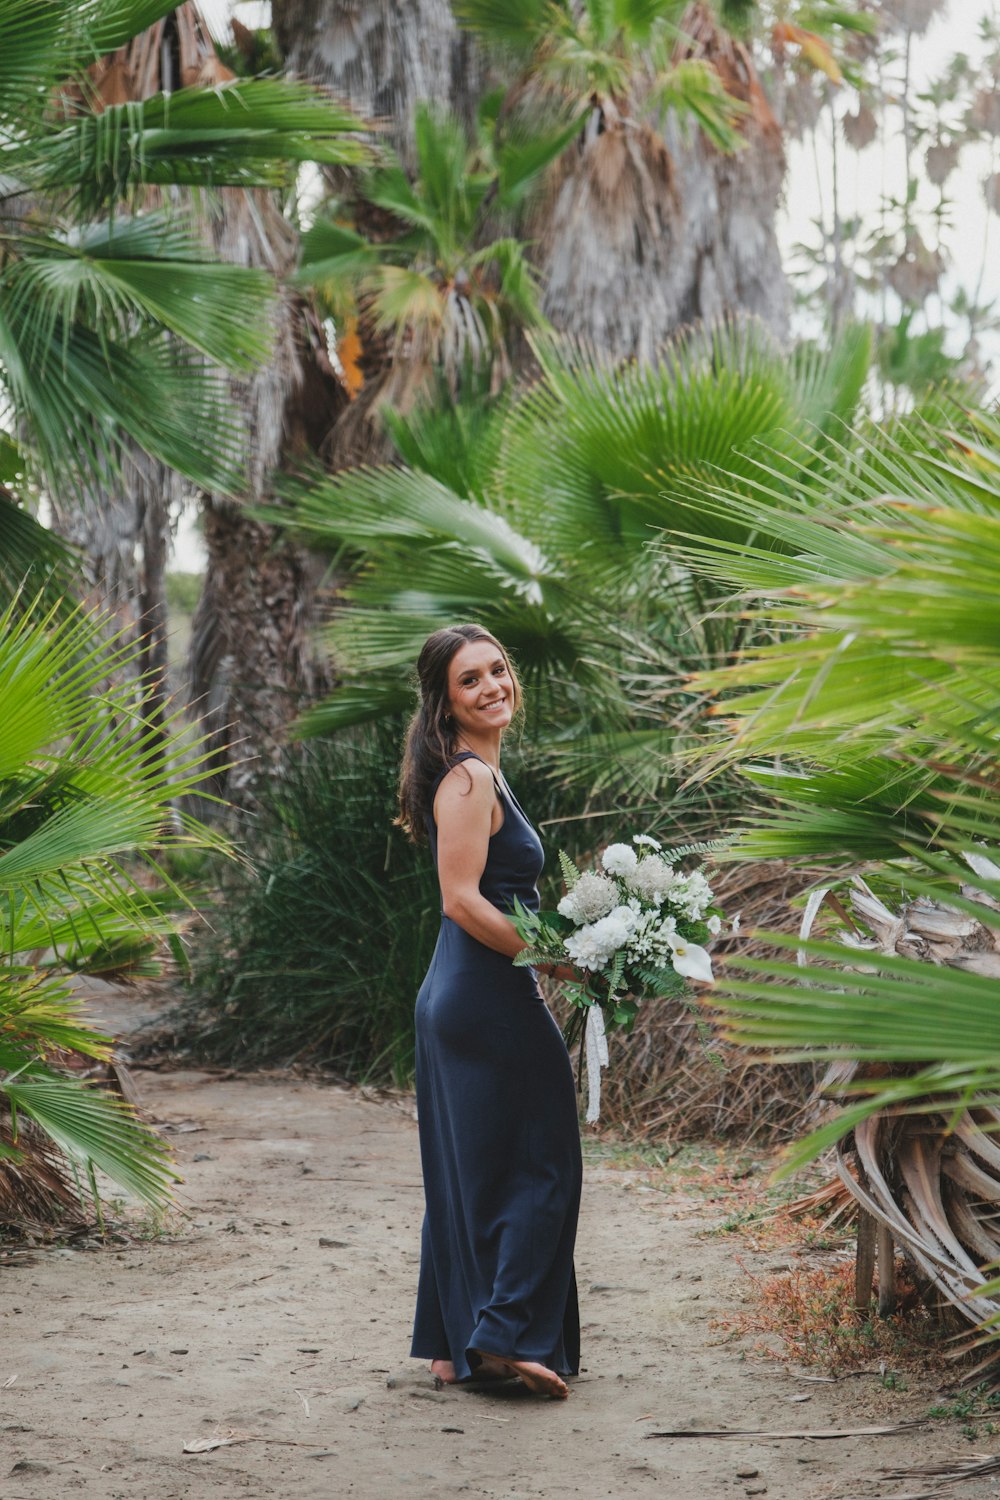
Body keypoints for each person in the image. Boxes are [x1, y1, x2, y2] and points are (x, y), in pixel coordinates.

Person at [397, 623, 582, 1400]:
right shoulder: (467, 781)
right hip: (484, 992)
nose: (492, 687)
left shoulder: (480, 777)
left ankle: (450, 1346)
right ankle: (504, 1333)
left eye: (498, 670)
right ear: (445, 702)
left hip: (461, 993)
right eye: (470, 680)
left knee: (466, 1168)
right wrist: (551, 958)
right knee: (545, 1163)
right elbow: (461, 899)